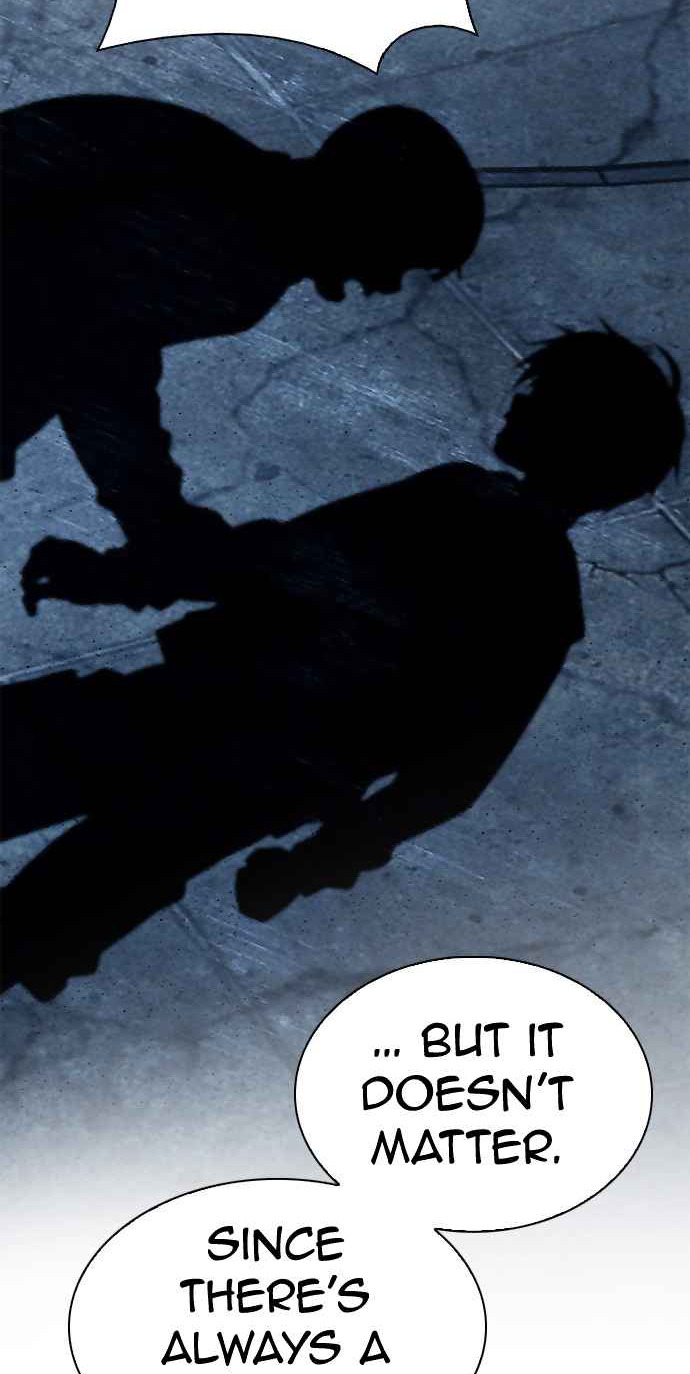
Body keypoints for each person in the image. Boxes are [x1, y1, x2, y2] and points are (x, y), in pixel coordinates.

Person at [2, 327, 683, 994]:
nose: (520, 402)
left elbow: (269, 562)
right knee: (46, 915)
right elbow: (447, 781)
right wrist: (314, 864)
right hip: (246, 783)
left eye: (542, 398)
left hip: (188, 709)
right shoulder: (546, 602)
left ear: (572, 432)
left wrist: (114, 578)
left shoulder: (458, 503)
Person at [1, 96, 484, 610]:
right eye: (402, 257)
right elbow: (99, 361)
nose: (385, 284)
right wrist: (157, 521)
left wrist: (156, 523)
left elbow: (100, 350)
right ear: (372, 213)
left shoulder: (222, 182)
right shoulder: (234, 250)